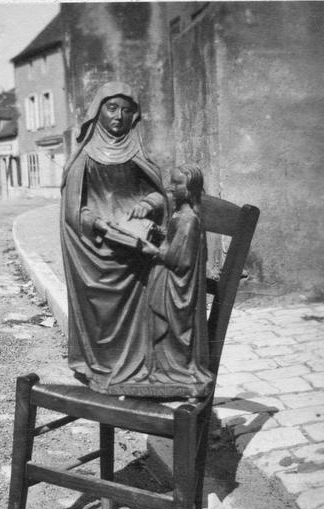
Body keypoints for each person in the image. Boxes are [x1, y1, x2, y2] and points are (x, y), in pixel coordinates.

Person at [60, 82, 168, 395]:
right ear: (99, 111)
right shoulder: (85, 158)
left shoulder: (137, 153)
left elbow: (161, 195)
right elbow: (73, 212)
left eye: (126, 109)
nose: (119, 115)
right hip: (95, 255)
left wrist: (148, 204)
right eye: (112, 108)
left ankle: (139, 371)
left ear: (134, 115)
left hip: (135, 254)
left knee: (140, 317)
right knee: (101, 317)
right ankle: (102, 370)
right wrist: (100, 224)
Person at [141, 164, 214, 399]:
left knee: (172, 330)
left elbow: (179, 259)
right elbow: (176, 242)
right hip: (169, 282)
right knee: (161, 329)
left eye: (178, 183)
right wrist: (162, 235)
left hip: (177, 287)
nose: (171, 187)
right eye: (171, 181)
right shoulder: (180, 214)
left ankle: (175, 372)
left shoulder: (189, 219)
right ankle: (163, 370)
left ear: (191, 188)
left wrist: (151, 249)